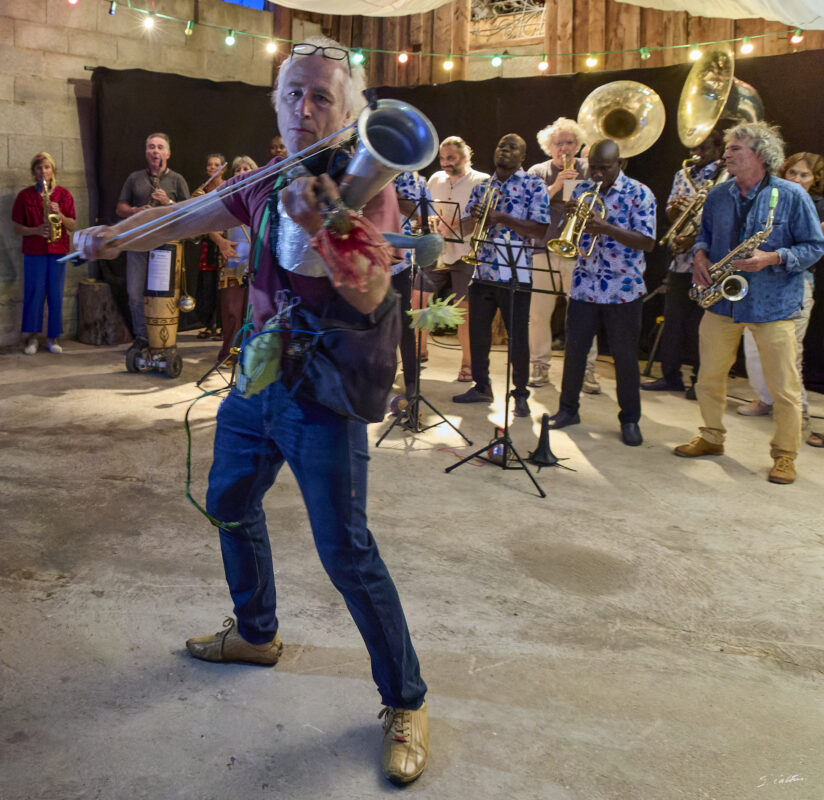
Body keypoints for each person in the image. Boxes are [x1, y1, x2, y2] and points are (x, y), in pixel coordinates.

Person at [72, 35, 428, 785]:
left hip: (322, 395)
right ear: (278, 103)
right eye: (294, 93)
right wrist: (112, 237)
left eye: (322, 95)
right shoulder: (268, 179)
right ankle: (257, 632)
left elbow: (371, 295)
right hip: (256, 382)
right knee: (229, 499)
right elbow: (191, 216)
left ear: (348, 110)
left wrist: (327, 217)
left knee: (346, 553)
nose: (305, 106)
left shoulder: (366, 184)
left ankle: (406, 699)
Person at [674, 121, 824, 484]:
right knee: (708, 377)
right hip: (723, 302)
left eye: (735, 148)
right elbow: (704, 238)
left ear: (760, 154)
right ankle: (711, 436)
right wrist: (699, 257)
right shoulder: (718, 194)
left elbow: (814, 247)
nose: (726, 154)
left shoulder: (791, 194)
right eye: (728, 148)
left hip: (774, 304)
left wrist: (772, 258)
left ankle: (785, 454)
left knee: (784, 387)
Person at [548, 139, 657, 446]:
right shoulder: (583, 190)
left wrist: (606, 228)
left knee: (624, 358)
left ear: (619, 164)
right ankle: (568, 409)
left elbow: (647, 241)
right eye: (592, 167)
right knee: (574, 353)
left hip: (623, 291)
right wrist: (569, 217)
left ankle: (630, 419)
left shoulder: (639, 193)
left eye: (604, 168)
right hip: (584, 286)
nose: (596, 174)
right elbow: (566, 235)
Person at [452, 133, 550, 418]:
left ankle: (520, 393)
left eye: (512, 148)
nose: (504, 150)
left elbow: (540, 230)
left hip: (515, 272)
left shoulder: (534, 185)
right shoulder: (483, 186)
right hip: (483, 268)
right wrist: (473, 218)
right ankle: (482, 386)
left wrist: (501, 218)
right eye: (500, 145)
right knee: (478, 334)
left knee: (517, 337)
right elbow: (468, 227)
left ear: (522, 157)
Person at [737, 152, 824, 434]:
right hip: (759, 280)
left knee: (789, 353)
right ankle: (764, 398)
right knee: (752, 344)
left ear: (816, 180)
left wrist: (773, 255)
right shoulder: (770, 197)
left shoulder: (819, 206)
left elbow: (811, 248)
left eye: (804, 175)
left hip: (796, 284)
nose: (797, 179)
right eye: (792, 173)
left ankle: (800, 413)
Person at [642, 129, 724, 399]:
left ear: (718, 147)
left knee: (701, 327)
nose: (695, 151)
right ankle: (670, 376)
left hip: (710, 262)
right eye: (692, 146)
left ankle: (700, 382)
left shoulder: (725, 176)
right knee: (673, 322)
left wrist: (697, 237)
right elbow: (670, 214)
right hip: (679, 261)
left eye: (702, 145)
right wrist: (676, 212)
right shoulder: (682, 174)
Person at [526, 117, 598, 391]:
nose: (565, 148)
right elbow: (529, 208)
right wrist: (556, 186)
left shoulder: (590, 169)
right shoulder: (537, 171)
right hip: (543, 250)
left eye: (570, 143)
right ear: (549, 147)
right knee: (539, 314)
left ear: (578, 145)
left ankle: (587, 369)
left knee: (582, 314)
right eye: (559, 143)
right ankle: (540, 365)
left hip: (578, 253)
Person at [423, 136, 489, 381]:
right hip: (438, 249)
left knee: (464, 310)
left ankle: (468, 364)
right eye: (442, 158)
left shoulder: (481, 180)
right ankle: (420, 350)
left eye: (450, 157)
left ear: (465, 156)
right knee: (418, 297)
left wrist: (456, 226)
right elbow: (428, 210)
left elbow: (481, 217)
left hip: (466, 253)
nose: (445, 162)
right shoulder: (435, 179)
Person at [115, 133, 190, 346]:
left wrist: (168, 201)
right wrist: (136, 210)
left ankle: (163, 338)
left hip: (165, 247)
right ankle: (141, 336)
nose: (155, 151)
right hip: (138, 243)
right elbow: (119, 208)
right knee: (134, 294)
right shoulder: (134, 178)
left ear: (167, 153)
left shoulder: (177, 179)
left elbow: (189, 212)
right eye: (151, 147)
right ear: (146, 152)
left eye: (159, 147)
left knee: (163, 296)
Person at [12, 152, 76, 355]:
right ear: (34, 172)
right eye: (39, 168)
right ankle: (32, 337)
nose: (43, 171)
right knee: (34, 293)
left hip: (58, 250)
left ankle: (52, 337)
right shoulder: (25, 196)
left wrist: (60, 214)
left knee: (55, 295)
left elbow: (73, 225)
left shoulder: (64, 195)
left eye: (47, 167)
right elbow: (17, 228)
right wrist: (35, 230)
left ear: (53, 170)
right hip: (34, 251)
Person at [208, 155, 257, 362]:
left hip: (254, 264)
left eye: (246, 168)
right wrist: (220, 242)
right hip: (231, 262)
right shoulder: (225, 198)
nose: (241, 172)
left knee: (251, 314)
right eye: (237, 170)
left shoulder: (259, 196)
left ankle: (248, 354)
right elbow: (208, 224)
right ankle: (229, 353)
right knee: (231, 311)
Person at [393, 170, 429, 397]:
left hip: (399, 260)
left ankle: (411, 383)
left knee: (404, 324)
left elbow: (415, 213)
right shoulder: (361, 166)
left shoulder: (410, 177)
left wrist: (384, 187)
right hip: (368, 255)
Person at [193, 153, 227, 340]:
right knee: (207, 285)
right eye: (210, 165)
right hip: (208, 242)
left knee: (222, 286)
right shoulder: (202, 189)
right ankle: (209, 324)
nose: (213, 168)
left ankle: (223, 327)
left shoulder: (229, 185)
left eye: (216, 165)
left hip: (226, 239)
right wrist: (195, 200)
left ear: (223, 168)